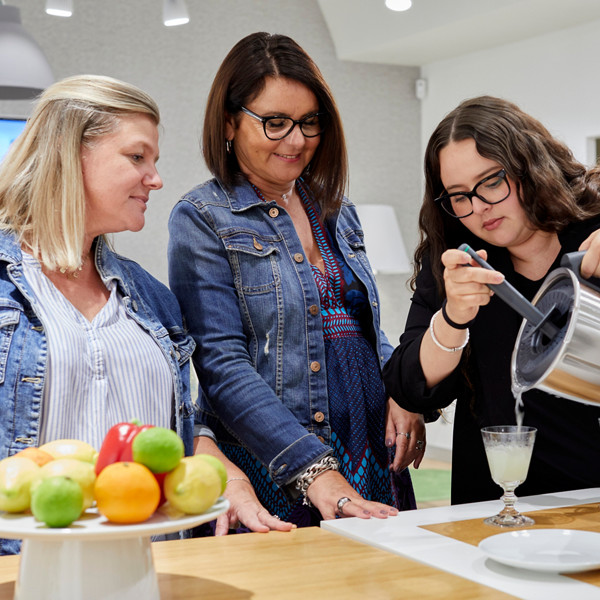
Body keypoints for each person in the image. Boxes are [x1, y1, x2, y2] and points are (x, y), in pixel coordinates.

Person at [0, 74, 292, 554]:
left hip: (148, 566)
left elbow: (171, 426)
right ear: (69, 153)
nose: (155, 179)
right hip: (28, 571)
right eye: (137, 157)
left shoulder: (151, 297)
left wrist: (229, 478)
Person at [168, 32, 424, 526]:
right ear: (228, 122)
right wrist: (312, 467)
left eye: (309, 123)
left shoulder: (337, 210)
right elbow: (221, 365)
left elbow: (366, 327)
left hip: (371, 443)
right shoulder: (202, 217)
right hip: (281, 453)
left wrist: (403, 392)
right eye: (275, 123)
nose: (297, 141)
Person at [383, 95, 600, 505]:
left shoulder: (594, 225)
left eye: (491, 182)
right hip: (494, 506)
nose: (479, 207)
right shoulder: (457, 262)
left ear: (529, 165)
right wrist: (452, 318)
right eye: (459, 195)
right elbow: (409, 386)